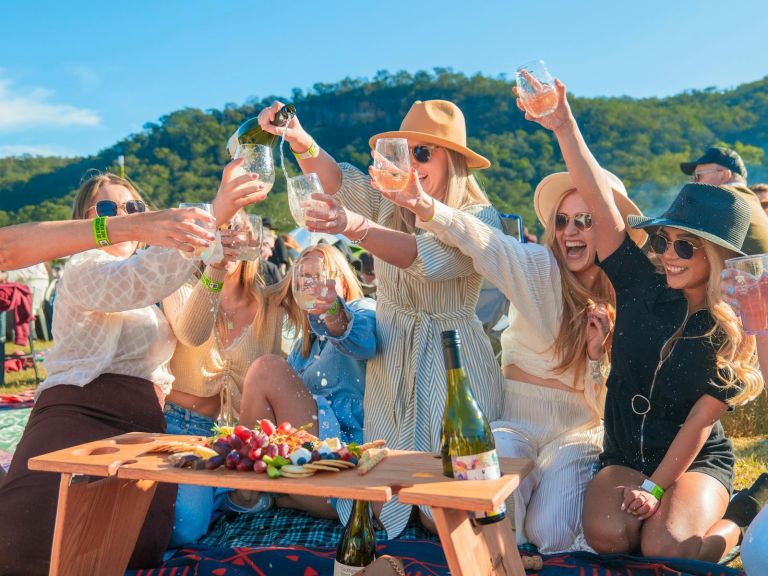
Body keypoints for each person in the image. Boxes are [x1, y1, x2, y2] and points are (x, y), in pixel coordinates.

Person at [530, 79, 764, 562]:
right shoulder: (640, 283)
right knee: (609, 536)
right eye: (662, 240)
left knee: (668, 549)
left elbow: (700, 424)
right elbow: (599, 200)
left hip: (694, 459)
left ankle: (740, 518)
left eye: (684, 245)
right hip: (625, 456)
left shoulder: (731, 328)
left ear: (717, 257)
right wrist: (564, 126)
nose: (668, 255)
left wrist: (656, 491)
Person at [0, 161, 266, 575]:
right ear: (84, 223)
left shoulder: (163, 273)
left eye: (133, 208)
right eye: (107, 211)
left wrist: (215, 267)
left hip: (142, 427)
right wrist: (214, 212)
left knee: (136, 545)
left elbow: (193, 331)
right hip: (80, 414)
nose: (124, 218)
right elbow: (137, 280)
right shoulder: (82, 268)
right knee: (32, 544)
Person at [257, 98, 503, 538]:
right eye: (403, 151)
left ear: (456, 161)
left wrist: (353, 226)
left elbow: (425, 259)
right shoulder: (389, 202)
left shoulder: (480, 217)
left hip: (452, 358)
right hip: (393, 358)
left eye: (423, 153)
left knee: (445, 505)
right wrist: (298, 137)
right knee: (390, 496)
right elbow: (338, 182)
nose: (411, 163)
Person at [380, 152, 646, 550]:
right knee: (491, 499)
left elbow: (614, 405)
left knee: (550, 532)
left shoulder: (628, 296)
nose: (570, 231)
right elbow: (488, 243)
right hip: (518, 421)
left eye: (585, 221)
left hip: (577, 431)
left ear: (610, 227)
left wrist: (595, 358)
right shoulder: (541, 269)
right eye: (562, 220)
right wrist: (425, 206)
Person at [160, 215, 303, 546]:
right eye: (223, 232)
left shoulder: (271, 303)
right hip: (183, 429)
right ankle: (224, 495)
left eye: (240, 234)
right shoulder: (180, 287)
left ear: (254, 242)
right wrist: (215, 271)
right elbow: (190, 334)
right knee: (186, 527)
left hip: (242, 438)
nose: (231, 241)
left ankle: (228, 492)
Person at [237, 243, 376, 518]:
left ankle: (247, 492)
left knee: (266, 369)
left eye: (320, 276)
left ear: (342, 280)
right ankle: (271, 494)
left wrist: (334, 310)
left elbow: (363, 342)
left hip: (346, 466)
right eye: (304, 278)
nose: (311, 285)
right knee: (264, 371)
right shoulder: (305, 346)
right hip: (313, 465)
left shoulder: (362, 310)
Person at [680, 147, 768, 255]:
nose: (693, 182)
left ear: (724, 174)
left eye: (698, 176)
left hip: (741, 270)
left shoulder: (721, 196)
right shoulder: (752, 199)